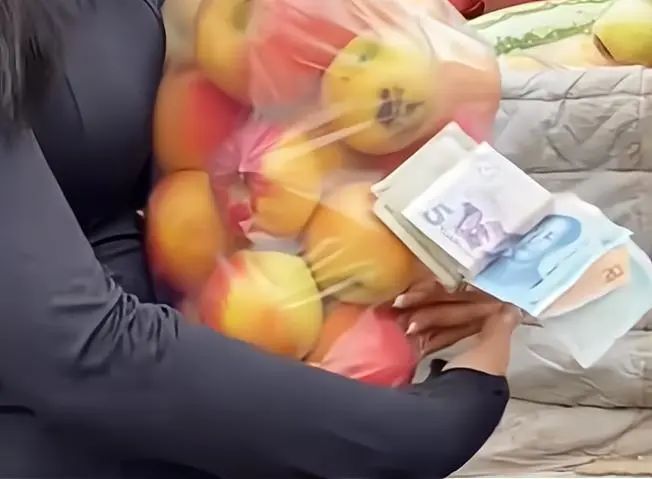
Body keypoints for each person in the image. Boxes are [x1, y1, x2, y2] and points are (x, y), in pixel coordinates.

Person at [0, 1, 518, 478]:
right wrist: (430, 427)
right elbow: (77, 349)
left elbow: (206, 139)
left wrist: (448, 243)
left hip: (186, 406)